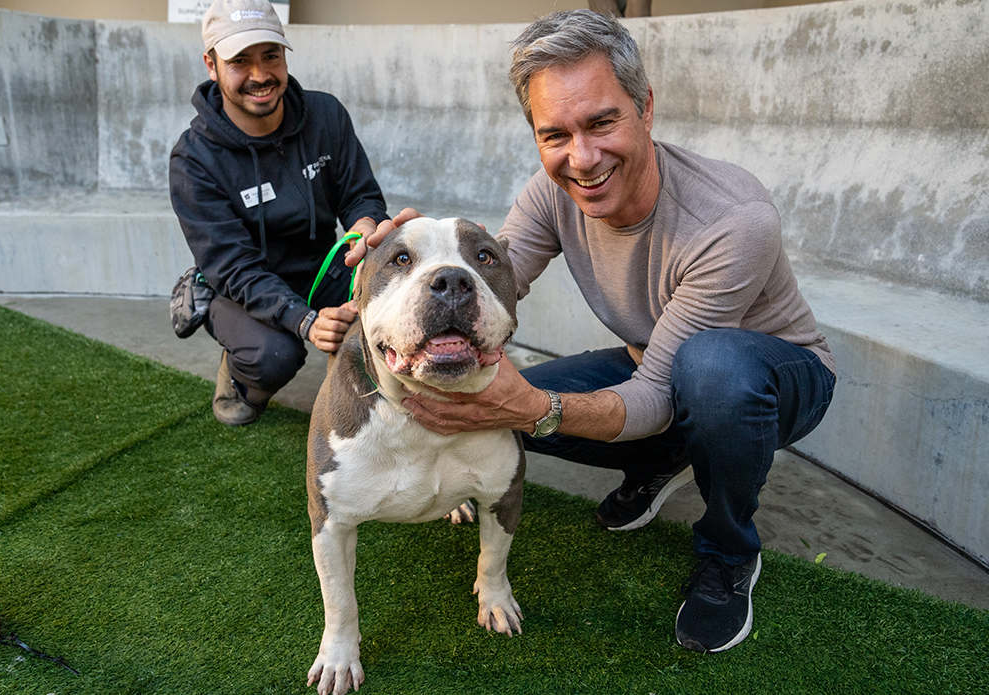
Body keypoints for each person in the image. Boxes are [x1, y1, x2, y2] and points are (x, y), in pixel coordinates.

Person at [348, 10, 835, 653]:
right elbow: (494, 283)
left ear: (646, 109)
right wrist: (394, 284)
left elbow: (661, 390)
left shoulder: (732, 220)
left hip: (771, 376)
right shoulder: (553, 192)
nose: (582, 158)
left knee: (703, 375)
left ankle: (728, 552)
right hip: (654, 363)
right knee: (514, 407)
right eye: (556, 134)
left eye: (602, 122)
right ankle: (664, 459)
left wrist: (536, 406)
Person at [170, 0, 388, 426]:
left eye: (271, 55)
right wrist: (307, 323)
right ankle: (239, 374)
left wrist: (365, 231)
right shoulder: (193, 159)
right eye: (239, 61)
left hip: (324, 265)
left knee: (393, 299)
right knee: (275, 356)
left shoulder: (325, 115)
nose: (260, 75)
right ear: (211, 65)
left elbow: (361, 196)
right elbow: (233, 265)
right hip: (241, 283)